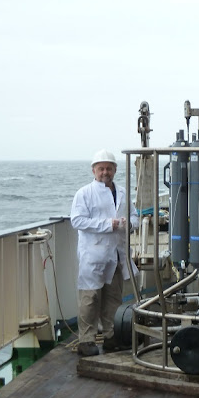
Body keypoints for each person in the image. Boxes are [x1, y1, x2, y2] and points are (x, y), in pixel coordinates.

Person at [71, 149, 138, 356]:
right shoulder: (84, 193)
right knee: (90, 299)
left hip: (116, 255)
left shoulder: (123, 192)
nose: (105, 172)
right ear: (94, 170)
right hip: (93, 255)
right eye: (101, 169)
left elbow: (134, 216)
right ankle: (86, 340)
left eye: (109, 168)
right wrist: (108, 224)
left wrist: (129, 224)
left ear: (115, 170)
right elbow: (77, 220)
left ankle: (111, 337)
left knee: (113, 299)